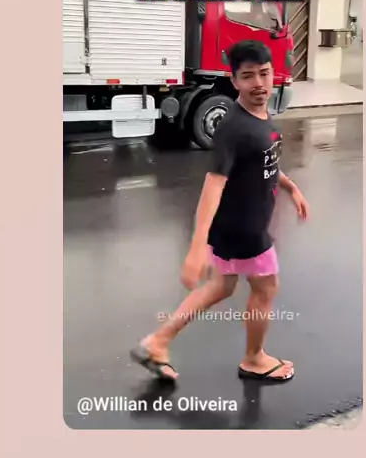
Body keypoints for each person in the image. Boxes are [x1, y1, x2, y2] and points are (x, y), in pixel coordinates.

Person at [131, 40, 310, 382]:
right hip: (246, 229)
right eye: (248, 76)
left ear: (273, 73)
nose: (258, 83)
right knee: (266, 288)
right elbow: (213, 185)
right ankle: (254, 359)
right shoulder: (234, 127)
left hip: (234, 227)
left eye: (264, 73)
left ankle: (158, 342)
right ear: (234, 80)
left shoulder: (260, 114)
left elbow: (264, 160)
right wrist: (196, 247)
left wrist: (291, 187)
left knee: (221, 286)